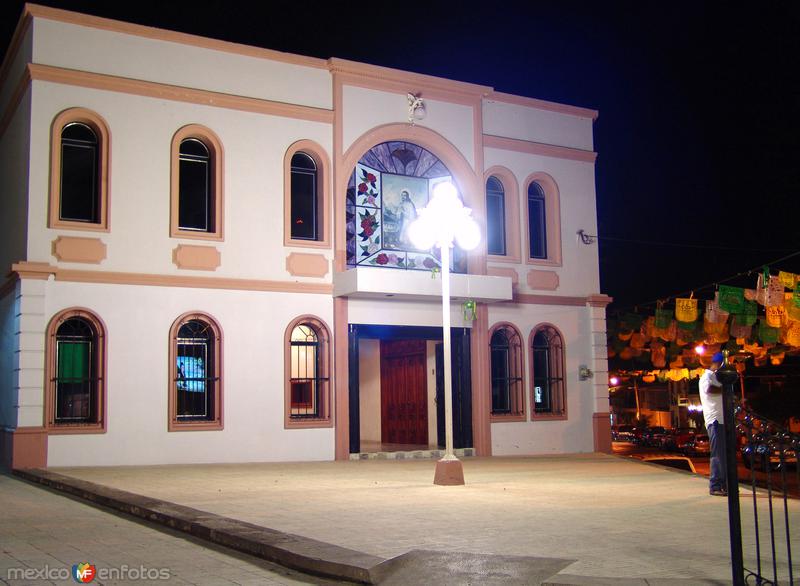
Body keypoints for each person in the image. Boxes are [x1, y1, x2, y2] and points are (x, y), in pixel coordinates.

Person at [699, 352, 726, 496]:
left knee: (724, 454)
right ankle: (715, 485)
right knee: (718, 454)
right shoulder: (707, 376)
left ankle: (724, 484)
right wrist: (726, 390)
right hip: (715, 420)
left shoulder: (716, 377)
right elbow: (709, 390)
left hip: (722, 420)